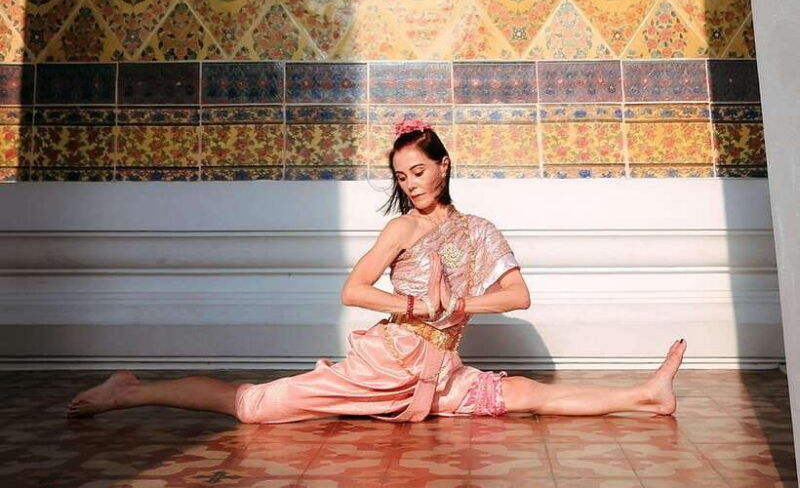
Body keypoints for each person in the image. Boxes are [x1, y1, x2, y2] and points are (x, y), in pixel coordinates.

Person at [67, 118, 687, 422]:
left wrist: (462, 306)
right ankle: (133, 389)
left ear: (443, 166)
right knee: (253, 408)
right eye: (400, 176)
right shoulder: (402, 230)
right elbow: (354, 290)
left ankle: (644, 392)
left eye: (418, 171)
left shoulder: (477, 231)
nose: (410, 184)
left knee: (523, 396)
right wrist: (419, 307)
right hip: (381, 368)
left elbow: (518, 296)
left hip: (440, 374)